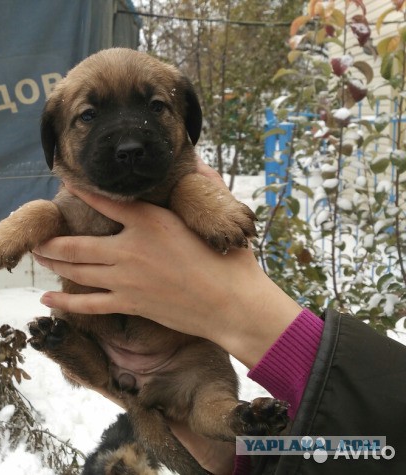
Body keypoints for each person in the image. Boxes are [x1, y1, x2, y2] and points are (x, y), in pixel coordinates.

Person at [31, 160, 406, 474]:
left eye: (157, 105)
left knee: (209, 398)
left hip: (186, 371)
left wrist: (241, 305)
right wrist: (244, 462)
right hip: (117, 352)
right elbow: (372, 448)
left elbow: (374, 447)